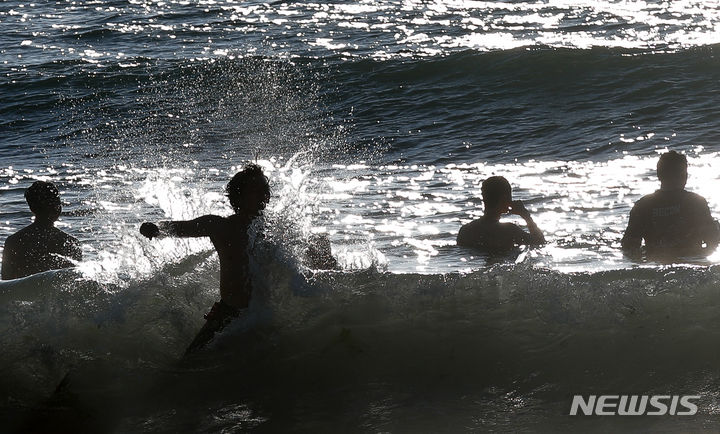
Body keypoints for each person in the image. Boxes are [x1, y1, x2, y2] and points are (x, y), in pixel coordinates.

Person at [140, 164, 271, 354]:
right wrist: (157, 229)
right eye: (256, 191)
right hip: (228, 315)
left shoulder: (271, 229)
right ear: (240, 196)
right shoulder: (221, 226)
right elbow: (185, 228)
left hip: (260, 314)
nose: (263, 196)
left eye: (265, 190)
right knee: (190, 362)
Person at [621, 151, 719, 260]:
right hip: (692, 263)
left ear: (659, 175)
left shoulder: (642, 205)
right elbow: (712, 239)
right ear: (685, 175)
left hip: (657, 266)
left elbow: (629, 246)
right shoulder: (696, 202)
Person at [1, 181, 82, 280]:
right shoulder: (70, 242)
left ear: (31, 208)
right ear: (58, 208)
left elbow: (6, 282)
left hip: (25, 294)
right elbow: (76, 282)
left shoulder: (13, 241)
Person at [457, 176, 545, 253]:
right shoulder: (509, 230)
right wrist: (526, 216)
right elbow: (540, 242)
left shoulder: (465, 231)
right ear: (504, 198)